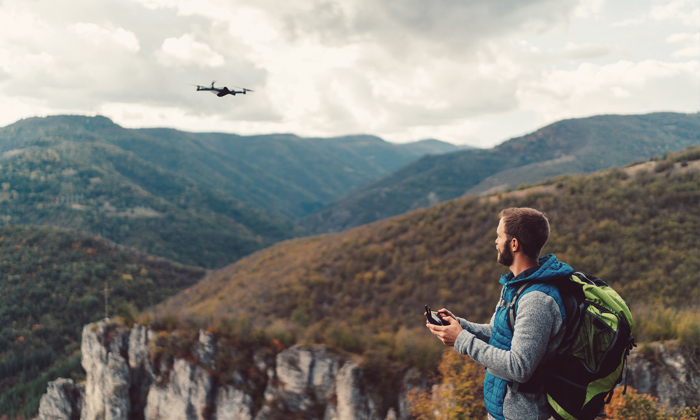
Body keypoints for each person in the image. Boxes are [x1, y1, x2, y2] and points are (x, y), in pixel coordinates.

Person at [426, 207, 573, 420]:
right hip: (502, 410)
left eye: (499, 236)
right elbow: (497, 332)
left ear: (514, 244)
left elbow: (519, 367)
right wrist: (460, 325)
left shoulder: (537, 300)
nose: (495, 242)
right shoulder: (516, 286)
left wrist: (462, 340)